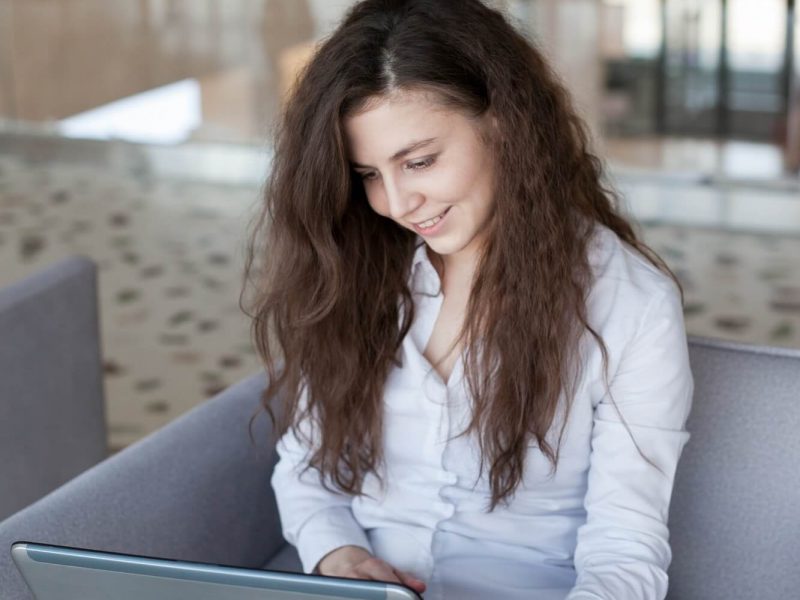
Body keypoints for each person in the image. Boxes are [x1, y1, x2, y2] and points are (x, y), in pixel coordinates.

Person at [244, 1, 693, 598]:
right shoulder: (357, 265)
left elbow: (624, 547)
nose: (399, 204)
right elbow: (306, 464)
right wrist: (339, 555)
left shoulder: (630, 305)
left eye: (421, 161)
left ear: (504, 124)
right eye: (368, 175)